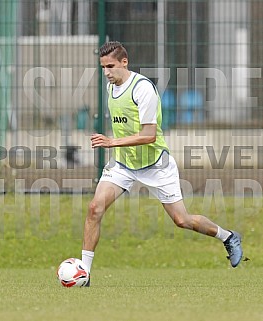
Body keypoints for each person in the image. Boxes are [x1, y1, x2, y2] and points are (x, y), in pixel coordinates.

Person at [81, 41, 243, 285]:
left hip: (156, 165)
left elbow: (149, 135)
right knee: (95, 208)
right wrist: (116, 148)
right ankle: (84, 272)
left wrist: (112, 142)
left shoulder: (143, 89)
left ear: (125, 62)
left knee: (182, 220)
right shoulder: (110, 86)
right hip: (124, 164)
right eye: (103, 67)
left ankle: (228, 237)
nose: (106, 72)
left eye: (111, 66)